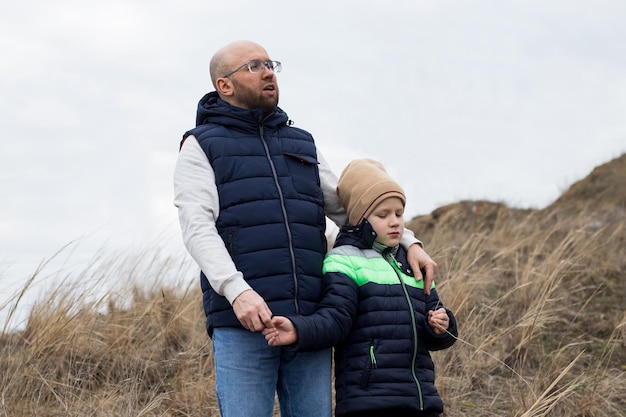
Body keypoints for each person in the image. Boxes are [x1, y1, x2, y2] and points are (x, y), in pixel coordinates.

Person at [173, 40, 438, 417]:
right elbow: (196, 227)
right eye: (253, 66)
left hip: (309, 321)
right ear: (224, 85)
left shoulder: (301, 144)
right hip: (242, 321)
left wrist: (408, 241)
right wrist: (237, 293)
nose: (267, 72)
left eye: (270, 64)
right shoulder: (201, 145)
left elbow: (353, 211)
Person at [263, 159, 458, 417]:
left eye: (399, 214)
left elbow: (436, 326)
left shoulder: (413, 262)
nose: (395, 222)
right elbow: (335, 320)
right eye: (383, 215)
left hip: (421, 401)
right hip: (368, 402)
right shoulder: (344, 260)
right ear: (360, 218)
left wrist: (443, 326)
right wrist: (299, 331)